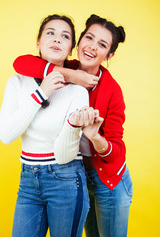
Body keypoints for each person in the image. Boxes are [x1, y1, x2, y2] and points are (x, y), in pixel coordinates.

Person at [13, 14, 133, 237]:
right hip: (73, 176)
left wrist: (95, 137)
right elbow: (21, 63)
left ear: (110, 54)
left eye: (102, 45)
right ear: (78, 42)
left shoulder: (112, 90)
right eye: (89, 38)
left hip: (107, 180)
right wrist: (72, 75)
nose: (92, 47)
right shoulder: (63, 68)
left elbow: (116, 152)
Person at [0, 14, 101, 237]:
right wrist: (42, 92)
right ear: (38, 42)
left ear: (70, 50)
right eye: (50, 33)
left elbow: (64, 155)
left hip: (66, 180)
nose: (57, 39)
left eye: (65, 37)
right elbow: (6, 135)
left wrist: (73, 125)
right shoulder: (17, 82)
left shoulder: (77, 91)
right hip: (28, 181)